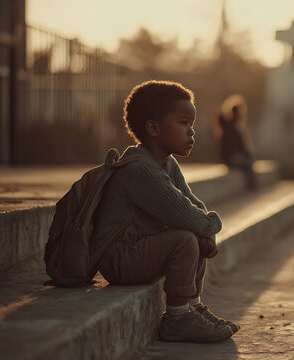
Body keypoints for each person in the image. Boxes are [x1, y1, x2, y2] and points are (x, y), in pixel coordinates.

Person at [92, 80, 238, 344]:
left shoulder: (165, 163)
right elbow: (182, 212)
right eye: (184, 123)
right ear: (153, 127)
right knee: (186, 237)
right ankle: (178, 319)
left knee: (194, 233)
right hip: (120, 258)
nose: (191, 132)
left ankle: (193, 306)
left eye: (191, 125)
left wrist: (205, 228)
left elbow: (192, 203)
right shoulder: (140, 169)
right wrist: (211, 226)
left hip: (142, 249)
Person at [213, 94, 256, 189]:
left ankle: (252, 187)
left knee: (249, 162)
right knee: (248, 165)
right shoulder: (228, 127)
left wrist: (246, 155)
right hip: (229, 159)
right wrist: (236, 157)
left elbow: (244, 148)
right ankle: (252, 187)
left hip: (236, 158)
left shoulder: (237, 129)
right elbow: (228, 148)